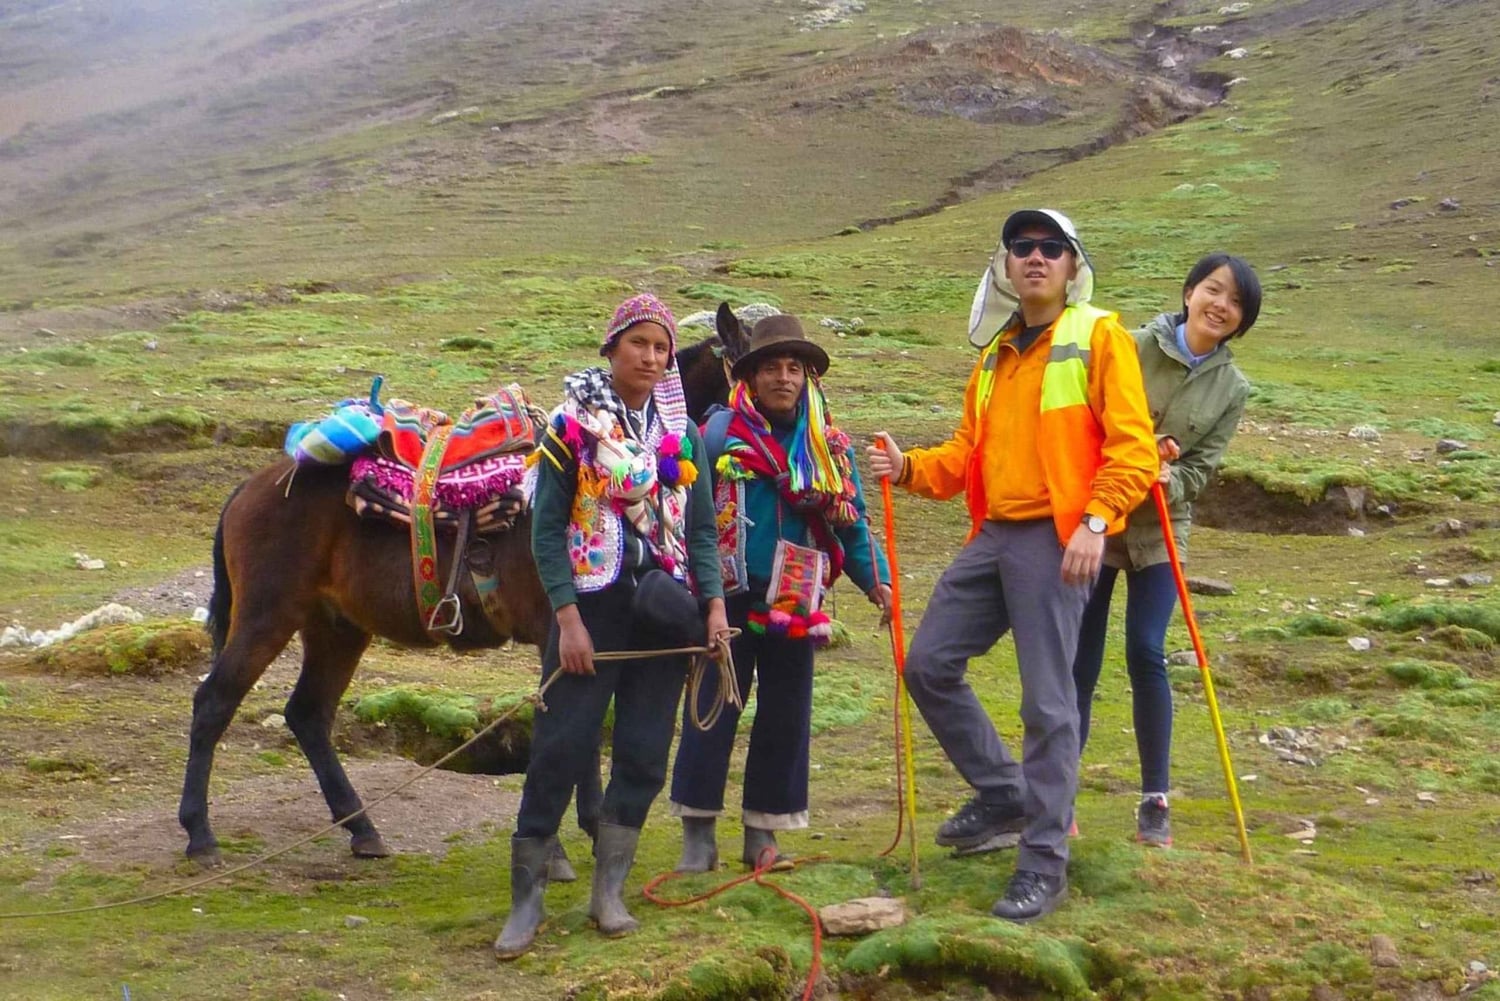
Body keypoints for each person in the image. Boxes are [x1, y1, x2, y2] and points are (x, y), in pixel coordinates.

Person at [867, 208, 1157, 922]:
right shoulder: (995, 358)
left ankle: (1044, 861)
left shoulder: (1099, 337)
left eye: (1051, 248)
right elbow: (965, 456)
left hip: (1053, 538)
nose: (1035, 256)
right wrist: (907, 466)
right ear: (1005, 265)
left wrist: (1095, 521)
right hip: (993, 533)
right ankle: (1004, 792)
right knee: (927, 662)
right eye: (1022, 247)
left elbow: (1135, 449)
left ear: (1071, 266)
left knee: (1048, 702)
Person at [495, 293, 729, 959]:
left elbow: (703, 530)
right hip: (591, 612)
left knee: (645, 752)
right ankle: (526, 900)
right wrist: (566, 619)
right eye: (639, 345)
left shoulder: (682, 434)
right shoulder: (572, 427)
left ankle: (609, 891)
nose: (651, 358)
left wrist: (711, 605)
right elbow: (545, 532)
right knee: (560, 749)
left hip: (664, 612)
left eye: (660, 347)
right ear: (612, 349)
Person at [668, 313, 893, 872]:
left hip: (797, 593)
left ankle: (764, 830)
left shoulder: (827, 447)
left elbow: (852, 521)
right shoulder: (716, 435)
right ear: (749, 376)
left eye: (794, 368)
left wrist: (878, 581)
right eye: (771, 367)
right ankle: (697, 826)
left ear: (808, 378)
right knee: (714, 703)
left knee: (786, 712)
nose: (784, 378)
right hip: (728, 593)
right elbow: (690, 518)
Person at [1071, 253, 1260, 848]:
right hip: (1102, 515)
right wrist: (1131, 456)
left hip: (1161, 527)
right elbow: (1086, 419)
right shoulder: (1127, 345)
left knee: (1146, 651)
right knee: (1082, 654)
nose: (1220, 305)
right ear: (1187, 293)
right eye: (1212, 290)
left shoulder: (1232, 388)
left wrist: (1165, 473)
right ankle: (1058, 790)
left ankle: (1155, 799)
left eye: (1234, 302)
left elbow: (1202, 469)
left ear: (1241, 320)